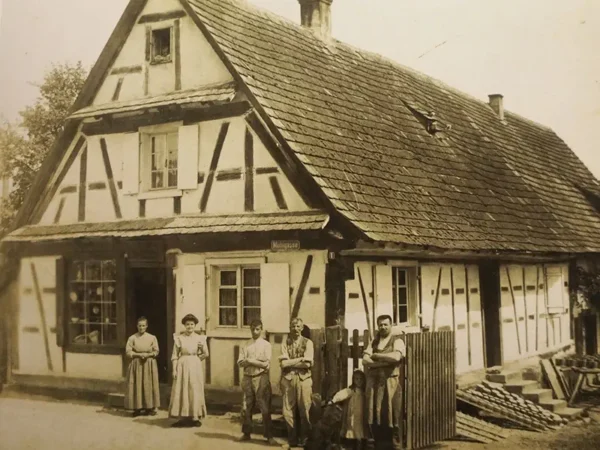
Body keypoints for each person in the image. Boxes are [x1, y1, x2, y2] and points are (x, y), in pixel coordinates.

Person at [362, 315, 405, 450]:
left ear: (391, 325)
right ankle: (375, 440)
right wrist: (384, 363)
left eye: (386, 324)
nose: (383, 327)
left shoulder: (397, 340)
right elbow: (365, 360)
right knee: (373, 409)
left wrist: (377, 356)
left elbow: (396, 357)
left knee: (391, 409)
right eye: (380, 325)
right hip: (373, 382)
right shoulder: (374, 342)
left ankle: (394, 442)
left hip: (390, 381)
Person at [237, 319, 277, 445]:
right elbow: (240, 362)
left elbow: (266, 364)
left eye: (257, 329)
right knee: (247, 406)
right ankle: (246, 433)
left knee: (264, 406)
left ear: (261, 329)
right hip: (247, 377)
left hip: (261, 377)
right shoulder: (245, 344)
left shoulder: (266, 345)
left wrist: (250, 361)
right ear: (250, 329)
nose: (255, 331)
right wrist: (256, 361)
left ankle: (269, 435)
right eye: (253, 329)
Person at [279, 317, 314, 449]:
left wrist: (291, 362)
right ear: (290, 328)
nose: (295, 329)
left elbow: (307, 363)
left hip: (304, 380)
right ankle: (292, 440)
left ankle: (305, 440)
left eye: (298, 326)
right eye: (293, 326)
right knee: (287, 411)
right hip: (288, 379)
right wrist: (300, 359)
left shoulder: (308, 343)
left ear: (302, 328)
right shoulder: (285, 342)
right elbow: (283, 363)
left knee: (305, 409)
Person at [169, 313, 208, 427]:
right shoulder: (179, 338)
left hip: (195, 365)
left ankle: (195, 416)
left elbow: (206, 353)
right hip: (182, 364)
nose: (189, 326)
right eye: (187, 324)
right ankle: (182, 417)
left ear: (195, 325)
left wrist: (197, 358)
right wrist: (174, 370)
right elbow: (174, 356)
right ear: (184, 325)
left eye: (192, 324)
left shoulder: (200, 338)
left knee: (194, 389)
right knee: (182, 389)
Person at [124, 316, 161, 417]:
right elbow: (128, 351)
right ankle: (137, 407)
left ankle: (150, 407)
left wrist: (148, 355)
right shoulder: (132, 338)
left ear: (147, 326)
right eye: (140, 326)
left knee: (148, 384)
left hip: (148, 363)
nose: (141, 328)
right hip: (137, 363)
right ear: (137, 326)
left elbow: (156, 351)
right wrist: (138, 355)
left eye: (143, 326)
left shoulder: (152, 337)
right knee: (137, 385)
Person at [328, 370, 368, 450]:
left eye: (361, 379)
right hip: (353, 416)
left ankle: (361, 446)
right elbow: (341, 394)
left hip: (362, 416)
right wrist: (333, 400)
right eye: (356, 379)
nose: (359, 381)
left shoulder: (365, 392)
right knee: (352, 431)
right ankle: (351, 445)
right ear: (353, 380)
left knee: (362, 432)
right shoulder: (351, 391)